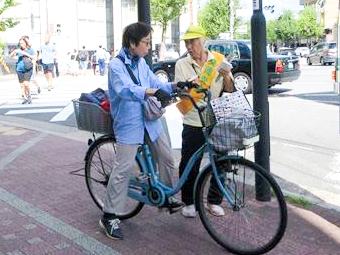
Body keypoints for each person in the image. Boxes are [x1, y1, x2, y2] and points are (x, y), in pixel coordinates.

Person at [100, 22, 185, 240]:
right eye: (146, 42)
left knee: (166, 158)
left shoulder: (142, 63)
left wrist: (178, 86)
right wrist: (153, 91)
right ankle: (109, 215)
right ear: (132, 42)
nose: (149, 47)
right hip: (129, 123)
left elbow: (156, 82)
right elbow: (126, 90)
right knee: (123, 168)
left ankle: (164, 197)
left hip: (149, 120)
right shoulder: (116, 65)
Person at [174, 25, 235, 218]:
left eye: (192, 42)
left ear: (203, 41)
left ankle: (214, 201)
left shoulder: (218, 59)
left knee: (222, 160)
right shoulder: (181, 64)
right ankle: (189, 201)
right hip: (193, 118)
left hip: (216, 117)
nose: (189, 47)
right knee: (190, 162)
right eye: (186, 43)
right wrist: (194, 84)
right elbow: (181, 93)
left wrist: (226, 75)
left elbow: (230, 90)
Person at [9, 37, 36, 104]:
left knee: (26, 84)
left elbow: (34, 57)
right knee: (22, 85)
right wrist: (14, 52)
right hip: (19, 69)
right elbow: (11, 56)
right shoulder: (18, 50)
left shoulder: (30, 50)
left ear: (26, 43)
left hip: (28, 68)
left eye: (23, 43)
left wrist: (25, 53)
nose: (21, 45)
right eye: (20, 43)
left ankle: (29, 96)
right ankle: (24, 98)